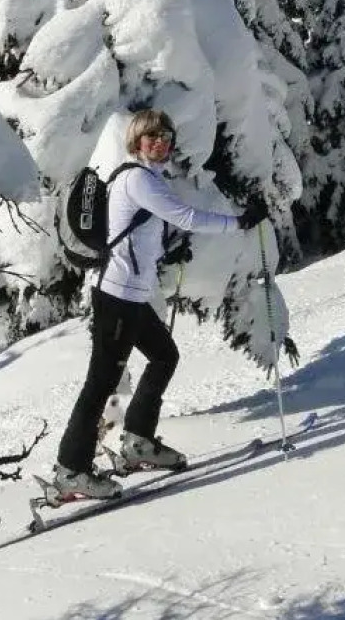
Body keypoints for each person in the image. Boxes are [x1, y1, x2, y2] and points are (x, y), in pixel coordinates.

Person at [54, 109, 268, 499]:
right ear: (136, 141)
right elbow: (186, 216)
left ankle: (138, 441)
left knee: (164, 356)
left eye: (166, 137)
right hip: (116, 296)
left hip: (133, 296)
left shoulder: (149, 179)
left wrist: (165, 252)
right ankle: (71, 469)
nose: (160, 143)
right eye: (151, 136)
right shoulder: (137, 178)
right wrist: (238, 222)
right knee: (100, 382)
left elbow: (141, 231)